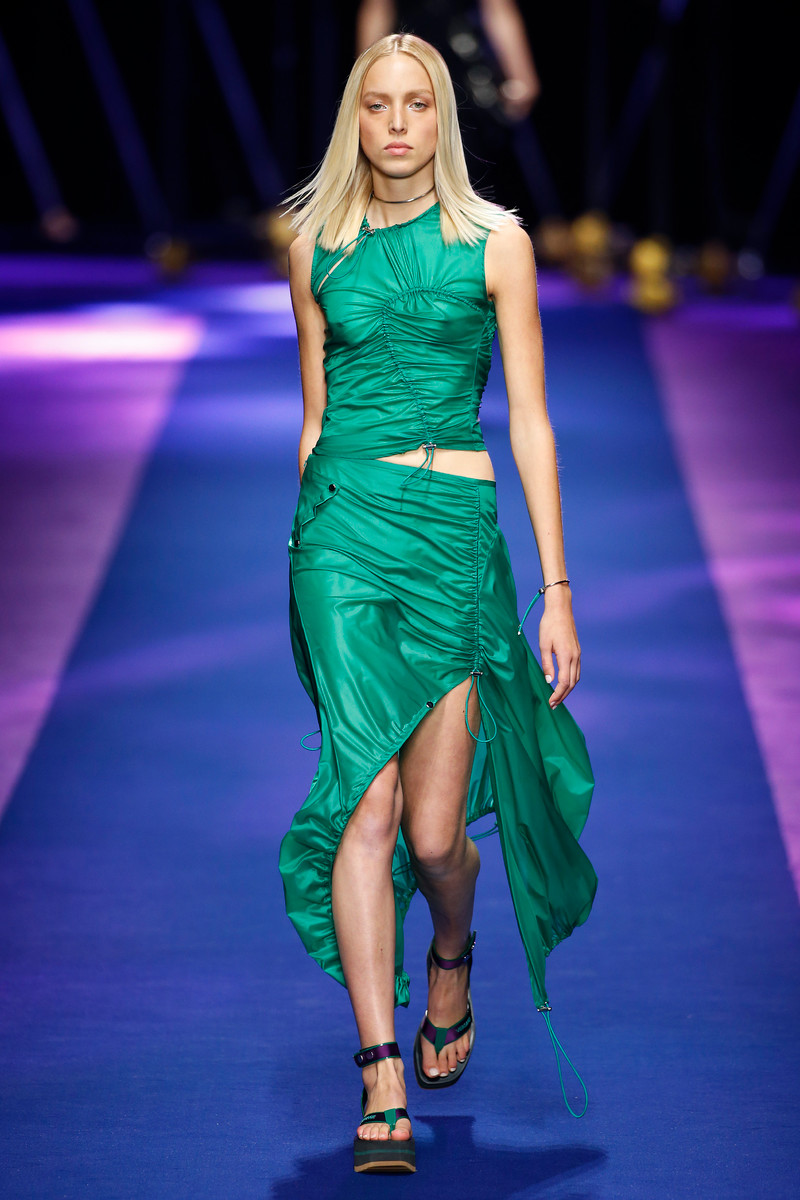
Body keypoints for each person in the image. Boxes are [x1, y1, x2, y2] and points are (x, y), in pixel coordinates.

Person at [279, 32, 597, 1176]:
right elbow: (315, 416)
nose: (398, 124)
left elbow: (529, 421)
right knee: (361, 800)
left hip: (452, 541)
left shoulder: (496, 243)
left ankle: (451, 950)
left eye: (417, 104)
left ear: (444, 119)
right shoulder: (313, 243)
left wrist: (554, 588)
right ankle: (379, 1072)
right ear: (353, 119)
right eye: (378, 105)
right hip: (340, 539)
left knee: (430, 836)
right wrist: (302, 547)